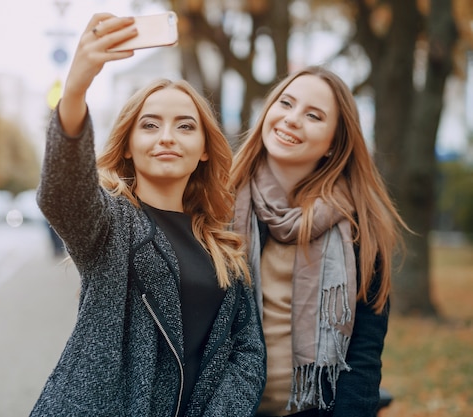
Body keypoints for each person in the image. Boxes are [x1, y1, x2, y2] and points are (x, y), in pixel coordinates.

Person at [30, 13, 266, 417]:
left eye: (185, 126)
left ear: (205, 148)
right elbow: (62, 196)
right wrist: (76, 88)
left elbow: (247, 350)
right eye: (150, 125)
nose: (167, 137)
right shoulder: (111, 225)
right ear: (128, 144)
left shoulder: (222, 243)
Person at [230, 66, 408, 417]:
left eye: (313, 115)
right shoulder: (217, 206)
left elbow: (363, 354)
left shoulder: (360, 228)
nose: (293, 119)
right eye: (286, 103)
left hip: (315, 409)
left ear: (333, 145)